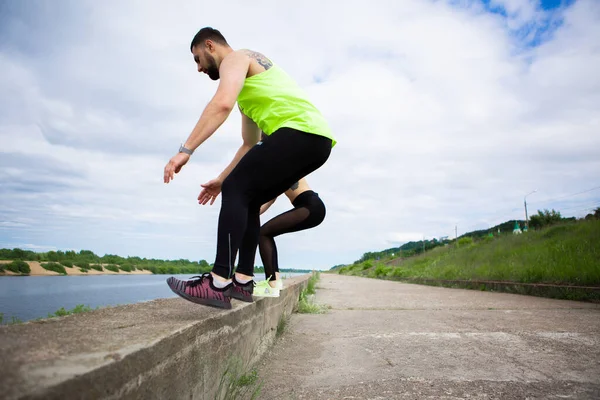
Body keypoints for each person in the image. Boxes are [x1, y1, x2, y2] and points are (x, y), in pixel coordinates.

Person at [164, 27, 336, 309]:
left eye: (197, 59)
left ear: (210, 46)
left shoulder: (236, 57)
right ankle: (243, 281)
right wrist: (221, 179)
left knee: (238, 187)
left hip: (299, 132)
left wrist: (186, 150)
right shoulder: (248, 90)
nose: (198, 68)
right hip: (317, 141)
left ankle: (218, 282)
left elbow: (221, 104)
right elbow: (248, 144)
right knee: (249, 196)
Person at [252, 175, 326, 298]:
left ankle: (272, 285)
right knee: (265, 233)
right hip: (312, 206)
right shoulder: (280, 171)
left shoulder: (284, 166)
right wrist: (250, 214)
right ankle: (274, 282)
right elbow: (271, 199)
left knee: (263, 233)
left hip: (310, 205)